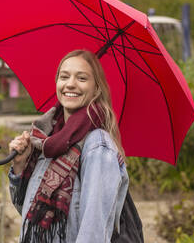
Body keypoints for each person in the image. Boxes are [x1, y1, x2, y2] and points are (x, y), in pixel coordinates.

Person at [8, 50, 129, 243]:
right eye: (64, 77)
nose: (70, 84)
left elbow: (94, 232)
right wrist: (20, 165)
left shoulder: (98, 147)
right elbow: (27, 213)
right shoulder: (48, 141)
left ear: (96, 88)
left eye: (82, 78)